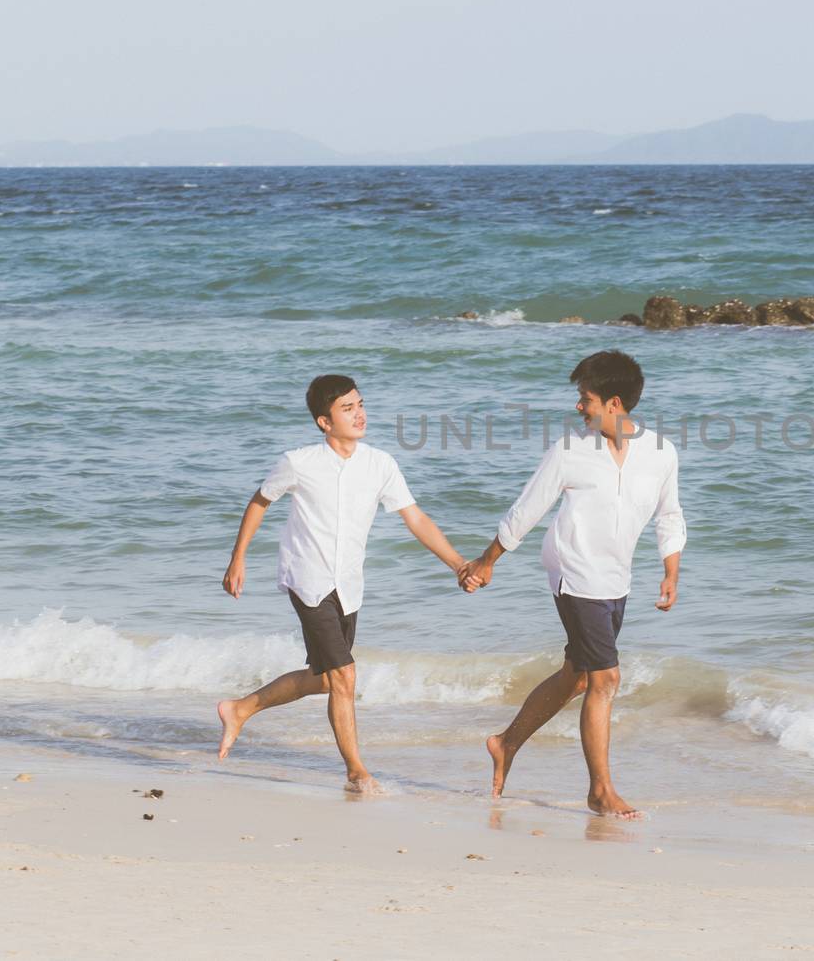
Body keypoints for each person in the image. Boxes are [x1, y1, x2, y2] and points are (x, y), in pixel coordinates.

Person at [216, 374, 470, 793]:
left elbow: (415, 518)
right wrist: (237, 558)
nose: (359, 414)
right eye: (347, 408)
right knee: (345, 676)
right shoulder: (299, 462)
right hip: (307, 578)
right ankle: (357, 772)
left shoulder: (380, 464)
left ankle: (241, 708)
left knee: (325, 678)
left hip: (349, 585)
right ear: (324, 421)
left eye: (360, 404)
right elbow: (260, 501)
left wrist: (458, 563)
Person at [461, 350, 686, 818]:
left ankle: (505, 743)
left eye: (585, 399)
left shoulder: (661, 453)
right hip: (573, 571)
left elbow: (670, 515)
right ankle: (600, 791)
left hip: (615, 576)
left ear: (614, 402)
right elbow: (527, 508)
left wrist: (671, 569)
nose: (579, 408)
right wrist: (487, 561)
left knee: (579, 677)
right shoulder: (569, 450)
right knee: (606, 679)